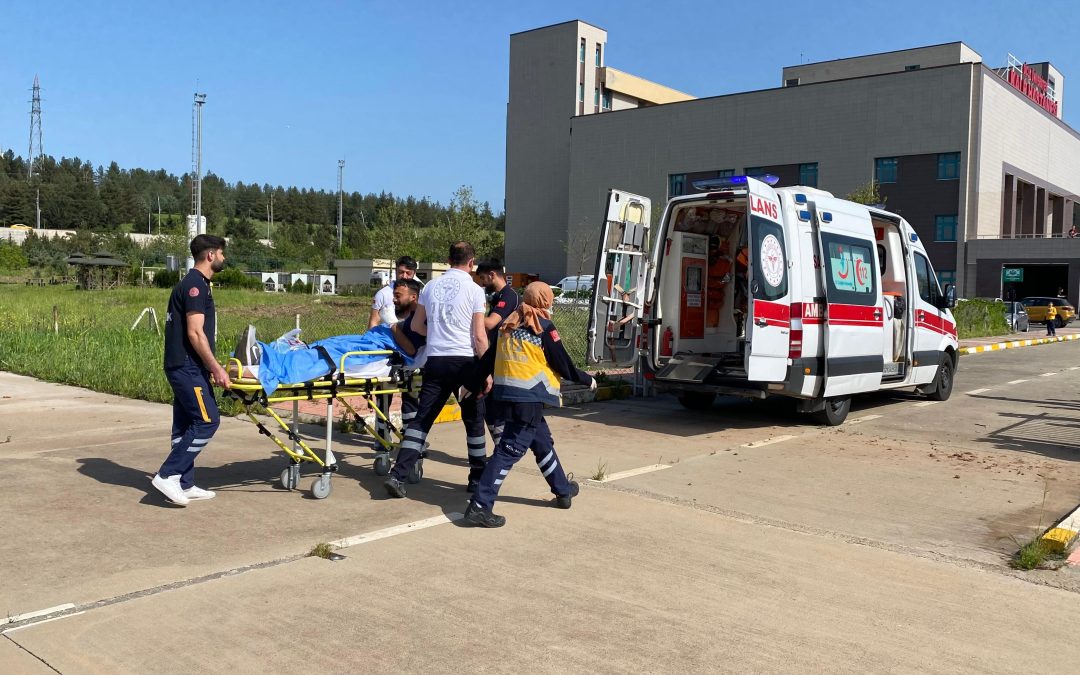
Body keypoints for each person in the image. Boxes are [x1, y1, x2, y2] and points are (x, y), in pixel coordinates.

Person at [463, 282, 597, 528]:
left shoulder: (508, 326)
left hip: (505, 397)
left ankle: (562, 489)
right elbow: (562, 363)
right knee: (509, 450)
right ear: (545, 301)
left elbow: (488, 359)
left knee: (542, 441)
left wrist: (471, 384)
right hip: (528, 398)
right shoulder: (543, 327)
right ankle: (480, 505)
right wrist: (587, 379)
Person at [384, 241, 490, 498]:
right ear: (471, 262)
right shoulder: (475, 290)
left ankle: (398, 475)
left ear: (448, 260)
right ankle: (476, 478)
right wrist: (487, 370)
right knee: (474, 419)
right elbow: (478, 336)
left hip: (436, 360)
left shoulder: (430, 286)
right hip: (465, 362)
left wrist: (439, 333)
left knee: (422, 419)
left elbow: (418, 327)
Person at [152, 235, 230, 506]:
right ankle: (168, 474)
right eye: (221, 253)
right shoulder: (196, 285)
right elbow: (196, 334)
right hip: (188, 367)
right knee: (208, 420)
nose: (223, 258)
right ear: (210, 255)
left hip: (182, 365)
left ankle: (184, 483)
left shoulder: (191, 283)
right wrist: (217, 369)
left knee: (184, 424)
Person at [474, 258, 520, 446]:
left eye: (484, 279)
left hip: (503, 358)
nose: (482, 284)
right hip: (494, 355)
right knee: (488, 404)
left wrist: (471, 314)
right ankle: (500, 445)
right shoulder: (498, 296)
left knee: (495, 404)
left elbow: (490, 323)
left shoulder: (509, 296)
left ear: (493, 275)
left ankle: (503, 446)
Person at [368, 256, 418, 329]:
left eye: (408, 273)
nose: (404, 276)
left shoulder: (420, 295)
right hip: (387, 338)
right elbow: (373, 322)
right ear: (396, 270)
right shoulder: (383, 294)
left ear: (414, 273)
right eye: (401, 272)